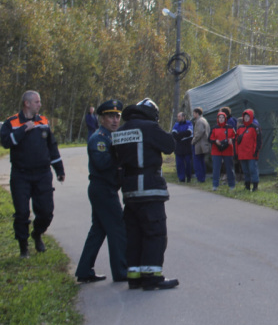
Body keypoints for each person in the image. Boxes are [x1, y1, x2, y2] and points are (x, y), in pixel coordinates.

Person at [111, 98, 178, 290]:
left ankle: (134, 277)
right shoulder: (149, 127)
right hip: (149, 189)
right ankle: (152, 277)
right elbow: (169, 146)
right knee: (155, 233)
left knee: (134, 235)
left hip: (129, 191)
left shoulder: (120, 131)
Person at [0, 91, 65, 257]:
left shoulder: (43, 121)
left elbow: (52, 146)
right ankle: (23, 247)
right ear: (27, 103)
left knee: (46, 212)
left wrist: (59, 170)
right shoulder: (11, 122)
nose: (40, 104)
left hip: (43, 175)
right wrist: (23, 129)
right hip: (21, 175)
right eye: (37, 101)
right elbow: (5, 143)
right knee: (22, 213)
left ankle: (37, 233)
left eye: (39, 101)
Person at [75, 99, 127, 284]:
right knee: (117, 228)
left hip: (106, 188)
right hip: (103, 188)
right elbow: (103, 163)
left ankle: (84, 270)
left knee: (98, 230)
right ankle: (121, 271)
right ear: (102, 119)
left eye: (117, 116)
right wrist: (119, 157)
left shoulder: (112, 137)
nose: (115, 120)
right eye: (110, 116)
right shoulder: (99, 138)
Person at [209, 110, 236, 191]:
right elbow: (210, 138)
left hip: (228, 150)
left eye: (223, 118)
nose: (221, 119)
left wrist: (231, 140)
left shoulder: (230, 128)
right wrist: (215, 141)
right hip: (216, 150)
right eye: (220, 117)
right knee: (216, 168)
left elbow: (235, 136)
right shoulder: (214, 128)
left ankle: (231, 184)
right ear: (217, 119)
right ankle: (215, 185)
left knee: (229, 168)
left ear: (225, 119)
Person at [236, 109, 261, 191]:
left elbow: (258, 140)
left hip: (251, 153)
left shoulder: (255, 127)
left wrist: (256, 150)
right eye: (245, 116)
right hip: (242, 153)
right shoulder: (240, 128)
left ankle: (255, 186)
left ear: (251, 117)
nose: (246, 118)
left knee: (253, 170)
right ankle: (247, 186)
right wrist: (237, 152)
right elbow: (236, 140)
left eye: (248, 116)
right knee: (245, 170)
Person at [171, 112, 194, 183]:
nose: (178, 118)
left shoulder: (189, 123)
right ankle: (181, 178)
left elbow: (189, 133)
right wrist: (182, 135)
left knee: (188, 163)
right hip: (179, 147)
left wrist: (179, 134)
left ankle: (188, 177)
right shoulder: (176, 124)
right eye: (178, 116)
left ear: (183, 117)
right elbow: (174, 134)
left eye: (179, 116)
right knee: (179, 164)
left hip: (187, 146)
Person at [191, 107, 211, 183]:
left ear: (197, 113)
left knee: (197, 162)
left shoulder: (199, 121)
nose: (193, 115)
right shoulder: (204, 120)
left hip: (199, 145)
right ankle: (202, 177)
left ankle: (200, 178)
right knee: (201, 161)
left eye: (194, 113)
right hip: (203, 144)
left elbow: (199, 132)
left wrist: (193, 141)